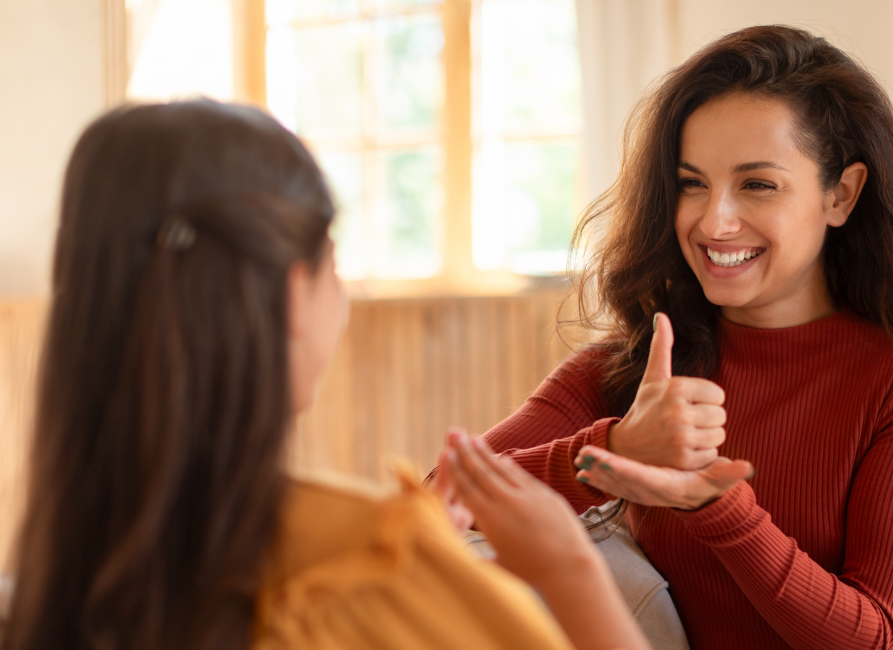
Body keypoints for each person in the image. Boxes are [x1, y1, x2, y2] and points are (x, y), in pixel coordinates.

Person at [0, 100, 648, 650]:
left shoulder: (56, 580)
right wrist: (568, 570)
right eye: (335, 267)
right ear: (292, 295)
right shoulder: (379, 567)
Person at [472, 25, 893, 650]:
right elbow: (442, 501)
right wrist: (615, 450)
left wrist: (716, 506)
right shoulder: (637, 368)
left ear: (842, 194)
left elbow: (871, 638)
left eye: (757, 184)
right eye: (692, 183)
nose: (713, 221)